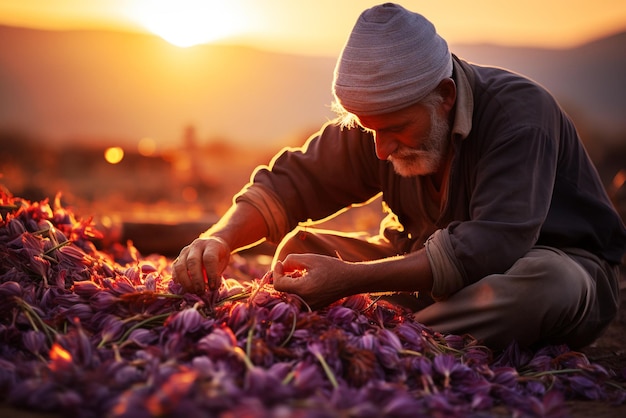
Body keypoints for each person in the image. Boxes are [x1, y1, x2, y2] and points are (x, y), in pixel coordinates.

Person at [172, 3, 626, 350]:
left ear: (444, 97)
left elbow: (494, 244)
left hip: (545, 269)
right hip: (424, 265)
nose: (380, 149)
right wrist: (221, 238)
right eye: (368, 130)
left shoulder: (519, 114)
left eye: (394, 130)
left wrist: (350, 280)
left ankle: (400, 340)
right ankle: (399, 329)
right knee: (301, 249)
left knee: (545, 283)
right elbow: (289, 183)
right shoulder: (378, 120)